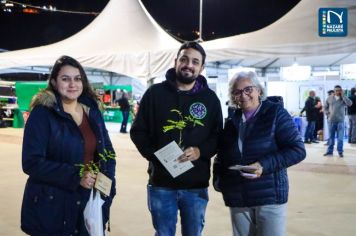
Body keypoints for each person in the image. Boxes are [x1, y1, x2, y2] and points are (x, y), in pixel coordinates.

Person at [130, 42, 223, 236]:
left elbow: (217, 136)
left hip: (195, 186)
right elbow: (138, 131)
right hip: (162, 184)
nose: (188, 64)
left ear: (202, 68)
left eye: (195, 61)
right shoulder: (154, 94)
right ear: (176, 62)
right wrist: (156, 156)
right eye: (184, 59)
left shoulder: (210, 99)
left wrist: (200, 151)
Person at [21, 55, 116, 235]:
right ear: (55, 83)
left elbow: (108, 153)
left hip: (90, 198)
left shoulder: (92, 112)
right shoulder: (42, 114)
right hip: (52, 203)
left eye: (77, 78)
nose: (73, 84)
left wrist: (108, 188)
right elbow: (31, 162)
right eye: (65, 79)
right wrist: (76, 176)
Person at [213, 71, 306, 236]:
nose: (243, 95)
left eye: (248, 89)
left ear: (259, 91)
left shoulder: (276, 114)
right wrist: (219, 181)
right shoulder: (232, 120)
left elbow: (297, 150)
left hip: (269, 196)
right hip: (238, 197)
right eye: (237, 92)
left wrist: (263, 166)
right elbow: (222, 155)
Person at [324, 85, 352, 157]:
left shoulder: (343, 98)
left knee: (340, 139)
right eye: (336, 90)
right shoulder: (330, 98)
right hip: (331, 121)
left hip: (340, 121)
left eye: (339, 90)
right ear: (334, 91)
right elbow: (325, 107)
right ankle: (330, 151)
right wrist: (327, 114)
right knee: (331, 138)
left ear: (341, 90)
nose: (337, 92)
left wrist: (344, 96)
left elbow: (350, 104)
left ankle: (340, 152)